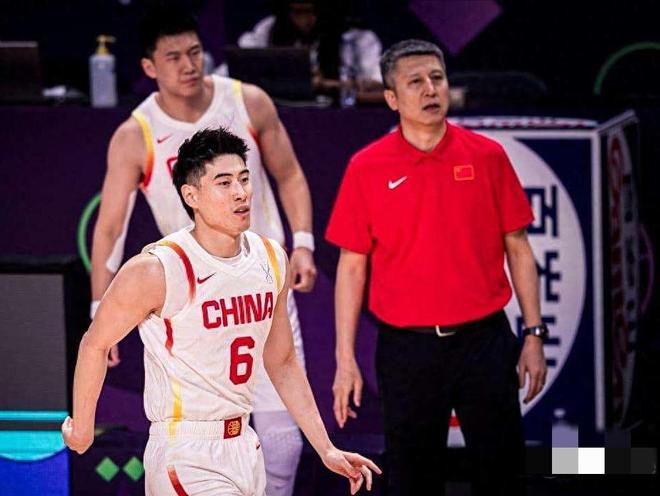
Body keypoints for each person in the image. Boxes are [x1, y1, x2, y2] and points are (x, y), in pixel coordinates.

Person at [63, 127, 381, 495]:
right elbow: (95, 343)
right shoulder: (158, 268)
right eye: (224, 183)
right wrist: (82, 427)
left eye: (244, 179)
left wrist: (325, 448)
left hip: (245, 444)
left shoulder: (270, 258)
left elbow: (281, 361)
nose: (241, 192)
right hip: (186, 450)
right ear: (191, 196)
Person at [90, 8, 315, 495]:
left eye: (194, 52)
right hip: (190, 295)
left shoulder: (248, 101)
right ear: (149, 67)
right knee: (203, 429)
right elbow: (109, 229)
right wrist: (97, 308)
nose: (188, 65)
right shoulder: (136, 133)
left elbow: (291, 174)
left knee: (282, 440)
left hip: (260, 277)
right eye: (173, 57)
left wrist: (302, 242)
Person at [326, 39, 548, 495]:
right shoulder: (366, 167)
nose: (431, 89)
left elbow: (519, 247)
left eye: (438, 78)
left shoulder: (487, 156)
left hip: (485, 342)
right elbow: (351, 267)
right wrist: (345, 359)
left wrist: (533, 334)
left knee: (502, 471)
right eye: (415, 82)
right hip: (407, 350)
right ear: (392, 98)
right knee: (412, 477)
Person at [235, 0, 383, 101]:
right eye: (299, 12)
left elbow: (379, 83)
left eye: (315, 11)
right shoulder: (269, 30)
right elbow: (236, 69)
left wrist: (327, 84)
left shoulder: (357, 39)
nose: (308, 19)